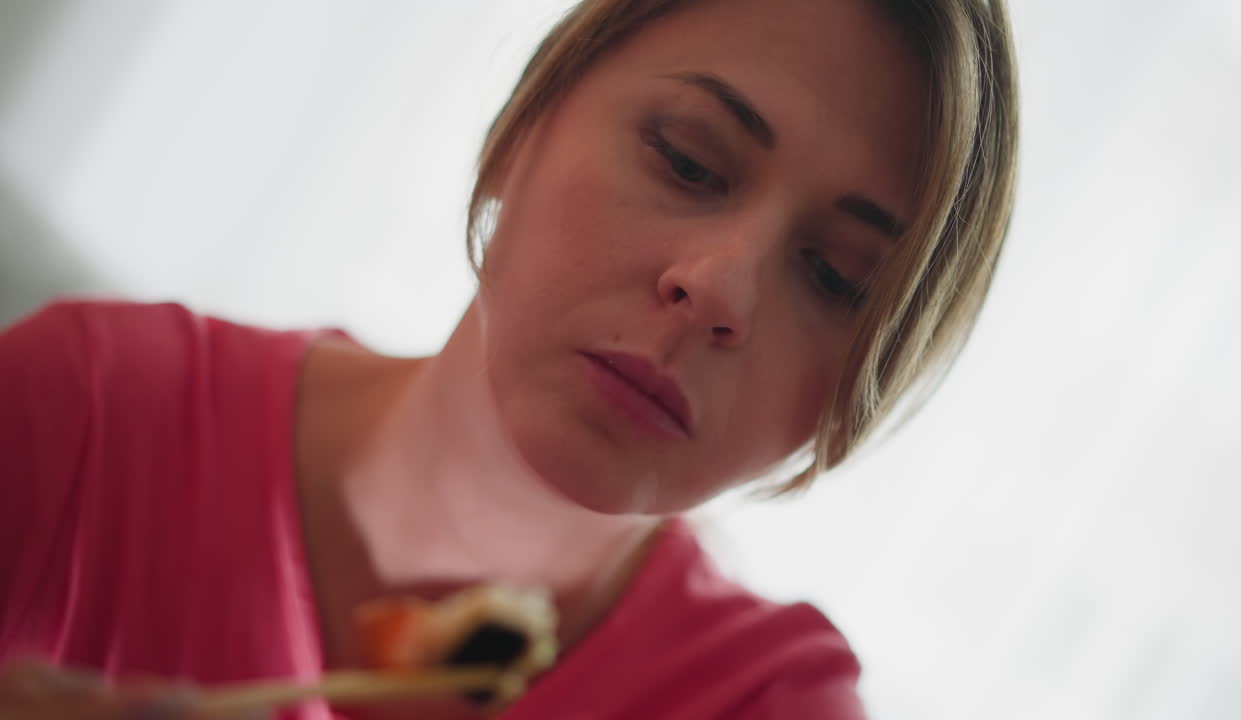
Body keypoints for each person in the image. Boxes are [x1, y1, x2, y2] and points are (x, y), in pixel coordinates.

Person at [0, 0, 1018, 717]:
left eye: (836, 277)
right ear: (524, 126)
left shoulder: (762, 705)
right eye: (688, 158)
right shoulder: (84, 416)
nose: (716, 286)